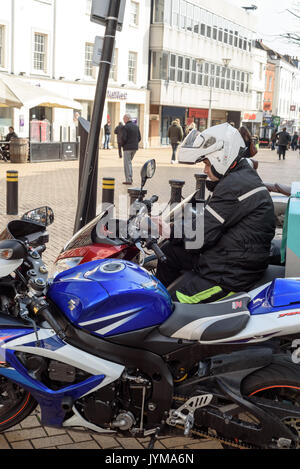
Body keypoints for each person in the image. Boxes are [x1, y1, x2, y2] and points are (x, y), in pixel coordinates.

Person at [156, 123, 276, 304]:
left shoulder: (234, 185)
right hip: (228, 257)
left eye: (206, 163)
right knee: (169, 252)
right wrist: (172, 228)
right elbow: (210, 220)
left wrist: (169, 230)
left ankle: (165, 311)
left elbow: (200, 237)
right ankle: (161, 294)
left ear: (221, 157)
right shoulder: (240, 176)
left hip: (229, 275)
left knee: (171, 304)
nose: (204, 170)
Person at [121, 114, 141, 185]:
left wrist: (123, 145)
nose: (123, 120)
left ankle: (129, 180)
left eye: (123, 119)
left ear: (127, 119)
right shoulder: (136, 126)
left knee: (127, 163)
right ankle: (130, 178)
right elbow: (139, 138)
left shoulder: (125, 127)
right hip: (134, 148)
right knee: (129, 163)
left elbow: (124, 138)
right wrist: (135, 143)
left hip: (127, 148)